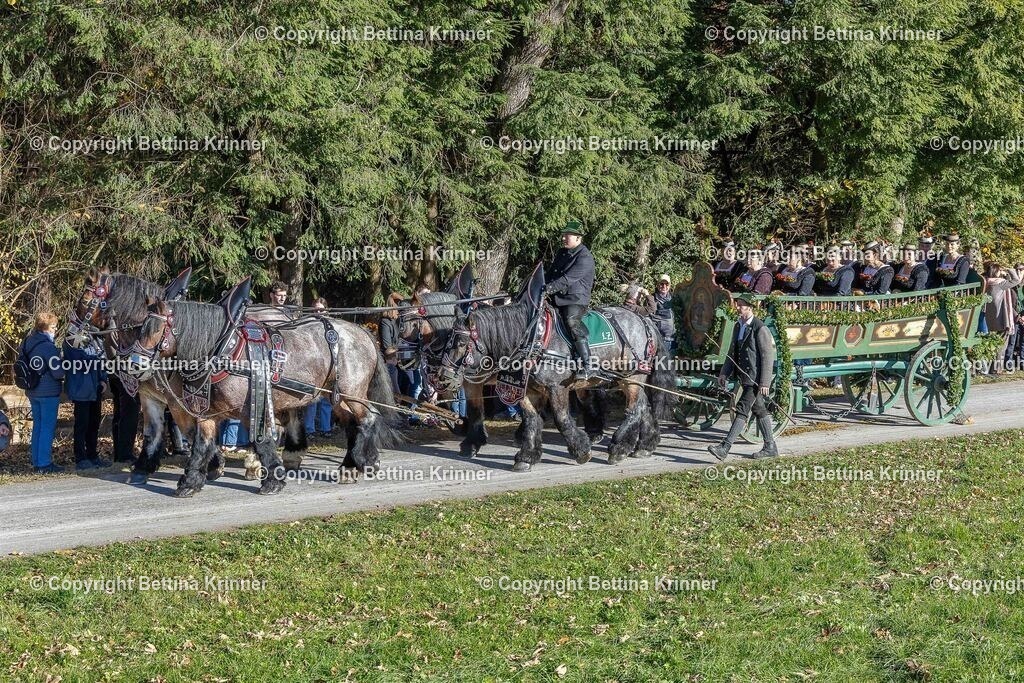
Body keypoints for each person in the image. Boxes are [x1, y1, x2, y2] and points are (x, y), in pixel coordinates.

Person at [709, 294, 778, 461]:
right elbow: (732, 353)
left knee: (742, 409)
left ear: (750, 307)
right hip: (744, 377)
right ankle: (770, 447)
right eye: (737, 304)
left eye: (741, 305)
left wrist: (764, 382)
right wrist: (724, 372)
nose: (738, 308)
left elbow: (767, 357)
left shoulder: (760, 328)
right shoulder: (738, 326)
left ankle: (725, 448)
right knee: (759, 409)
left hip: (754, 379)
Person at [545, 220, 596, 380]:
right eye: (564, 235)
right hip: (557, 297)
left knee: (571, 320)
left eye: (567, 235)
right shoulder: (562, 253)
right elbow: (551, 274)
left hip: (575, 300)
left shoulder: (585, 257)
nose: (563, 238)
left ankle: (588, 365)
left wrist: (548, 289)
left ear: (578, 238)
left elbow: (567, 279)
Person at [23, 312, 66, 473]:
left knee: (38, 427)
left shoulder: (28, 342)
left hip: (32, 391)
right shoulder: (48, 347)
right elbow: (58, 373)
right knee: (47, 428)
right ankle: (45, 464)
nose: (55, 330)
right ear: (46, 328)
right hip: (48, 392)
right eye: (53, 327)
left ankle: (37, 461)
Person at [62, 336, 111, 470]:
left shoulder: (96, 338)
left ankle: (92, 455)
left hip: (95, 388)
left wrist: (103, 379)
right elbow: (78, 362)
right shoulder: (72, 338)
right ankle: (80, 457)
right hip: (81, 389)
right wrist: (96, 360)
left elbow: (103, 360)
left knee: (94, 424)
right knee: (81, 424)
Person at [982, 262, 1023, 374]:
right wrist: (1009, 269)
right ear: (996, 271)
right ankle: (996, 369)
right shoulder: (1000, 283)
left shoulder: (986, 283)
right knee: (1001, 345)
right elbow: (1016, 280)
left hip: (989, 319)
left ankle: (991, 368)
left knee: (992, 344)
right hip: (1001, 318)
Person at [304, 297, 333, 436]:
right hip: (313, 367)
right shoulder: (307, 324)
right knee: (312, 401)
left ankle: (325, 427)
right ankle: (309, 429)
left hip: (328, 366)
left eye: (321, 310)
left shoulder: (331, 324)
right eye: (316, 310)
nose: (318, 312)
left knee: (326, 400)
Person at [108, 375, 140, 463]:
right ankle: (125, 455)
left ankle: (120, 454)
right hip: (126, 375)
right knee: (129, 414)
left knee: (120, 415)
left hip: (115, 374)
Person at [651, 274, 675, 349]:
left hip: (675, 340)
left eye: (666, 284)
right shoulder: (652, 299)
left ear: (670, 285)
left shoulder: (674, 298)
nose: (664, 286)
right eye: (661, 283)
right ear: (657, 285)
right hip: (661, 340)